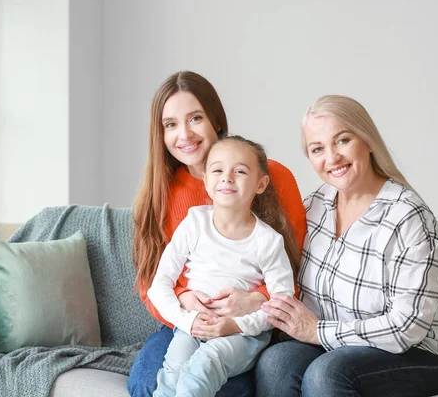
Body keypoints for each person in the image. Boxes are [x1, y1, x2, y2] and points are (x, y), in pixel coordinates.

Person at [256, 95, 438, 397]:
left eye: (342, 140)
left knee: (327, 373)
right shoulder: (313, 207)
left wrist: (318, 332)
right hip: (335, 346)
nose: (332, 157)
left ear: (367, 140)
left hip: (420, 354)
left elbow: (406, 328)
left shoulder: (407, 215)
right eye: (318, 149)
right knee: (276, 362)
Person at [128, 71, 306, 397]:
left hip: (249, 327)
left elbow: (295, 267)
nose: (184, 134)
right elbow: (151, 284)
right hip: (184, 322)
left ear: (215, 121)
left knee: (218, 385)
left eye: (195, 118)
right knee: (147, 383)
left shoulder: (268, 175)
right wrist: (184, 301)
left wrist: (255, 300)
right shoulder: (161, 195)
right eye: (170, 124)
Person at [148, 136, 297, 397]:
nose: (227, 177)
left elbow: (282, 302)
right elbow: (158, 287)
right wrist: (189, 321)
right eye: (218, 170)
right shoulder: (194, 223)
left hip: (242, 336)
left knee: (206, 363)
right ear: (205, 180)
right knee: (173, 372)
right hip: (193, 326)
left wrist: (236, 326)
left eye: (239, 171)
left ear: (260, 184)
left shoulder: (269, 242)